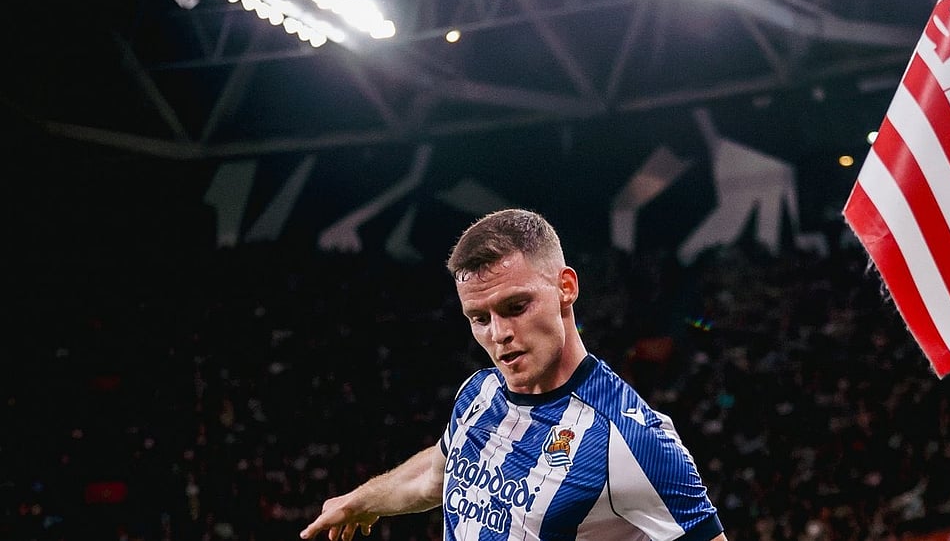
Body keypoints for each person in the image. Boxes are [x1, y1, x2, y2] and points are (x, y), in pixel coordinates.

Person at [300, 209, 726, 541]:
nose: (499, 334)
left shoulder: (632, 439)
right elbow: (434, 476)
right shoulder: (479, 393)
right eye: (479, 317)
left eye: (515, 307)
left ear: (566, 287)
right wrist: (360, 500)